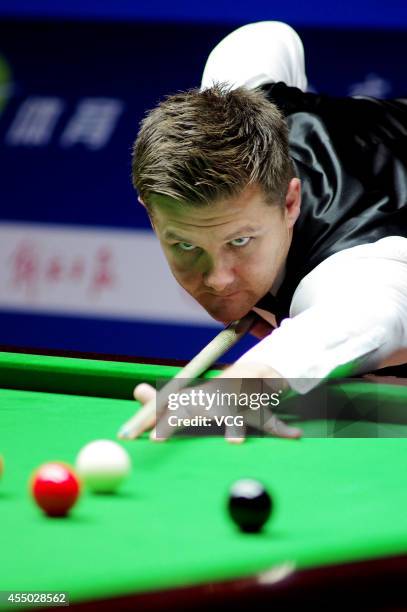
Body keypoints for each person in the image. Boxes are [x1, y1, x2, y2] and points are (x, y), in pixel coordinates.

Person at [128, 21, 407, 441]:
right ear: (150, 215)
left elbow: (366, 317)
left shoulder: (355, 266)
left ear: (291, 203)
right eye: (186, 245)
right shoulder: (243, 99)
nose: (218, 279)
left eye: (240, 241)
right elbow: (265, 37)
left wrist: (250, 383)